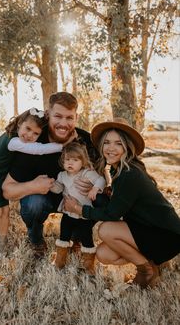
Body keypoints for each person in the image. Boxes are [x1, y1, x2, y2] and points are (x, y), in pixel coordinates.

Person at [64, 117, 180, 288]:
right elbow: (122, 202)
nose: (111, 148)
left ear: (127, 147)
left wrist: (79, 209)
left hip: (167, 236)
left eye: (118, 143)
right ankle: (153, 264)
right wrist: (102, 191)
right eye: (107, 143)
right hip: (147, 231)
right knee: (104, 254)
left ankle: (145, 270)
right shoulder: (119, 169)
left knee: (106, 229)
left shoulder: (129, 173)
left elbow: (112, 214)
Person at [2, 92, 98, 258]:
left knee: (100, 199)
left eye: (69, 118)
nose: (63, 123)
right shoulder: (32, 141)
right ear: (48, 115)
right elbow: (7, 190)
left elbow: (105, 177)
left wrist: (95, 186)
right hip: (43, 196)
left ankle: (77, 236)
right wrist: (32, 186)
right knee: (34, 203)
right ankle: (36, 237)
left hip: (76, 198)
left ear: (77, 117)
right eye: (58, 116)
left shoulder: (87, 141)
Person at [0, 108, 69, 258]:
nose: (29, 135)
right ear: (19, 124)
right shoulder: (13, 141)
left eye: (36, 133)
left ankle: (1, 242)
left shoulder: (17, 138)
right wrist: (63, 146)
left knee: (5, 211)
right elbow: (38, 149)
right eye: (28, 128)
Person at [50, 142, 106, 275]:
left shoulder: (87, 173)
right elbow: (58, 189)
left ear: (83, 161)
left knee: (86, 238)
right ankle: (60, 261)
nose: (70, 163)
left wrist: (95, 188)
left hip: (83, 214)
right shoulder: (62, 175)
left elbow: (101, 180)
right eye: (67, 160)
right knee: (63, 235)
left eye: (75, 160)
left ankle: (88, 265)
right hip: (68, 213)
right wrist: (50, 185)